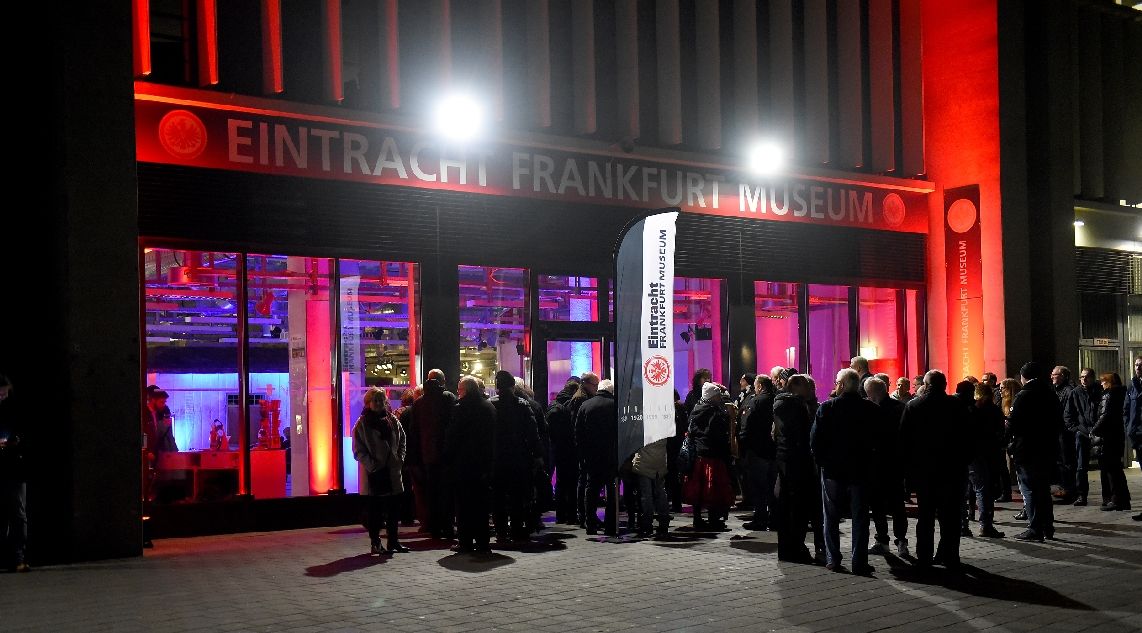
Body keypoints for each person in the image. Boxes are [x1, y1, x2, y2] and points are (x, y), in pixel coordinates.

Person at [900, 370, 972, 569]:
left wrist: (909, 470)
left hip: (925, 470)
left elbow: (904, 440)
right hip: (952, 469)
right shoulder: (957, 405)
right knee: (950, 516)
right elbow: (968, 437)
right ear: (945, 384)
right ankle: (949, 555)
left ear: (926, 384)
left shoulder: (914, 406)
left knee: (926, 516)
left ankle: (924, 556)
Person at [811, 368, 878, 575]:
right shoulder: (870, 409)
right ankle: (859, 561)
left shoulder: (828, 408)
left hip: (833, 469)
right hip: (861, 469)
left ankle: (833, 558)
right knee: (860, 517)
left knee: (830, 515)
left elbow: (815, 440)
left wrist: (822, 462)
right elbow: (879, 439)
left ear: (840, 385)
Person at [351, 387, 409, 556]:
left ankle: (393, 541)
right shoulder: (362, 424)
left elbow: (402, 440)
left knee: (393, 510)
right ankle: (375, 542)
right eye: (374, 400)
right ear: (368, 403)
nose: (378, 403)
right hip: (374, 473)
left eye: (380, 400)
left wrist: (399, 458)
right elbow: (358, 450)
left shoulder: (392, 420)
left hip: (392, 471)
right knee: (375, 512)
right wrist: (372, 465)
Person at [773, 374, 824, 563]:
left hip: (787, 462)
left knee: (789, 508)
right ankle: (795, 548)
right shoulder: (796, 406)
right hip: (798, 464)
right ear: (796, 388)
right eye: (809, 386)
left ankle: (789, 549)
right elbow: (804, 437)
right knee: (797, 509)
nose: (812, 390)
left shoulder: (782, 404)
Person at [1009, 362, 1061, 542]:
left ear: (1023, 377)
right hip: (1047, 449)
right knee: (1043, 489)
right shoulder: (1050, 394)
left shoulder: (1023, 395)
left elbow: (1013, 423)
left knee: (1029, 490)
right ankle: (1048, 526)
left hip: (1027, 450)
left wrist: (1008, 442)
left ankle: (1035, 528)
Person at [446, 375, 497, 553]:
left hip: (464, 465)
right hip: (484, 465)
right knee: (481, 506)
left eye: (459, 390)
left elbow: (453, 438)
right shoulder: (489, 407)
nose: (458, 393)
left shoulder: (460, 409)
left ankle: (465, 541)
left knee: (464, 506)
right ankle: (483, 542)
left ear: (465, 390)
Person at [490, 370, 542, 542]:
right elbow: (532, 433)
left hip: (496, 458)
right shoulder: (522, 405)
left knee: (498, 496)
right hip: (519, 457)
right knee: (517, 496)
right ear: (513, 386)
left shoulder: (491, 405)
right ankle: (517, 529)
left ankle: (500, 531)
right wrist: (537, 454)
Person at [406, 369, 457, 539]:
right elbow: (454, 425)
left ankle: (434, 527)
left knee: (431, 493)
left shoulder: (419, 403)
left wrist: (415, 457)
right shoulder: (448, 398)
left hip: (427, 456)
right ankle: (447, 526)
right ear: (442, 381)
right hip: (447, 455)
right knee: (448, 492)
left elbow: (414, 432)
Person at [865, 377, 910, 557]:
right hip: (896, 464)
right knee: (898, 504)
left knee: (878, 505)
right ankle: (901, 541)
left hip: (877, 464)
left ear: (872, 393)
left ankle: (882, 540)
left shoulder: (871, 410)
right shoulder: (900, 408)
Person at [684, 382, 735, 530]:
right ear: (713, 396)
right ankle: (714, 520)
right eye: (718, 395)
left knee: (699, 489)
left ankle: (697, 518)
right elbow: (717, 434)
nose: (720, 398)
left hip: (698, 455)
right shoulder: (715, 412)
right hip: (713, 455)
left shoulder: (696, 409)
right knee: (713, 488)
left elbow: (692, 431)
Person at [576, 378, 618, 535]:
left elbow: (578, 432)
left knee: (591, 489)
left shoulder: (585, 405)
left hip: (591, 455)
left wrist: (582, 454)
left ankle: (590, 523)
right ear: (611, 391)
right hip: (610, 455)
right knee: (611, 489)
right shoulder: (615, 406)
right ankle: (610, 524)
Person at [966, 383, 1005, 538]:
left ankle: (967, 520)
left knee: (971, 487)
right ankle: (986, 525)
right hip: (989, 453)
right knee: (984, 490)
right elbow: (1000, 432)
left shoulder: (971, 410)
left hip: (972, 453)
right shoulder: (994, 411)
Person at [738, 375, 777, 531]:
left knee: (759, 489)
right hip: (772, 451)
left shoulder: (755, 402)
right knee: (772, 489)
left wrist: (742, 446)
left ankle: (760, 519)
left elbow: (746, 426)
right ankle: (774, 519)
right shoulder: (776, 400)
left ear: (760, 386)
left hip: (757, 451)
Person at [0, 374, 29, 572]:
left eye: (5, 393)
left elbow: (21, 432)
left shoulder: (12, 410)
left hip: (13, 467)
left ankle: (16, 557)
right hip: (9, 467)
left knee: (17, 514)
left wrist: (14, 441)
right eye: (1, 393)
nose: (3, 397)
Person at [1062, 368, 1102, 506]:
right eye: (1082, 377)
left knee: (1105, 465)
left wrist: (1097, 429)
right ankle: (1081, 495)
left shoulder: (1099, 391)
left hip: (1099, 432)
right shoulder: (1076, 393)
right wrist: (1077, 430)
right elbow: (1068, 416)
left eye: (1087, 377)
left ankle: (1108, 496)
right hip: (1082, 433)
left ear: (1093, 378)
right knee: (1081, 466)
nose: (1084, 380)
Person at [1093, 373, 1130, 512]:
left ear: (1109, 383)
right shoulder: (1121, 394)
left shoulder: (1109, 395)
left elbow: (1105, 415)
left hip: (1107, 438)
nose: (1101, 384)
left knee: (1111, 470)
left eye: (1103, 381)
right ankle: (1122, 500)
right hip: (1115, 437)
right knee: (1116, 470)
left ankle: (1116, 500)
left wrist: (1094, 430)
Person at [546, 379, 581, 524]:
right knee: (572, 483)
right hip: (569, 449)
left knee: (560, 482)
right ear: (574, 390)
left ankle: (560, 515)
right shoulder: (570, 405)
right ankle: (571, 515)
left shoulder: (553, 404)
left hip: (556, 449)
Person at [571, 372, 600, 527]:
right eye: (595, 385)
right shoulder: (581, 400)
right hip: (584, 448)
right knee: (584, 482)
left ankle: (584, 513)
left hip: (582, 447)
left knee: (584, 481)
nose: (596, 388)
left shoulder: (580, 398)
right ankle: (584, 514)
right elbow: (578, 428)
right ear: (586, 384)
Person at [631, 436, 671, 538]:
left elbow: (634, 440)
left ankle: (647, 525)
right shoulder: (663, 425)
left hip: (644, 461)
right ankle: (664, 523)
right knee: (661, 493)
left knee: (646, 496)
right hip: (659, 461)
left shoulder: (642, 425)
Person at [1050, 365, 1074, 498]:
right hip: (1058, 430)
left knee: (1067, 461)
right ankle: (1064, 486)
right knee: (1060, 460)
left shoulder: (1068, 391)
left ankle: (1069, 489)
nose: (1052, 377)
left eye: (1055, 374)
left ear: (1063, 376)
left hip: (1064, 431)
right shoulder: (1055, 390)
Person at [999, 378, 1021, 504]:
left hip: (1015, 441)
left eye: (1003, 388)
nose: (1000, 391)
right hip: (1009, 440)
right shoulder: (1004, 402)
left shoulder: (1014, 403)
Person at [1126, 357, 1142, 521]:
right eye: (1136, 365)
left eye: (1141, 365)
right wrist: (1129, 427)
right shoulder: (1133, 385)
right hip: (1137, 435)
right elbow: (1127, 409)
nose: (1138, 368)